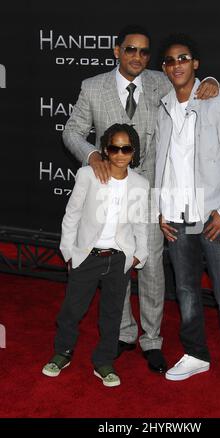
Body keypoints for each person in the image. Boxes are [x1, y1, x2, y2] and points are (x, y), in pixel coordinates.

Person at [62, 24, 220, 373]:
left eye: (145, 52)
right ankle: (123, 333)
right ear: (117, 51)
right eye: (130, 50)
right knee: (116, 261)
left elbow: (191, 84)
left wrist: (212, 83)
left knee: (148, 266)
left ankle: (151, 339)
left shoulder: (161, 81)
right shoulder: (93, 87)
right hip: (108, 191)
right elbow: (72, 131)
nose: (138, 57)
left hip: (149, 190)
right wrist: (92, 157)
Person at [155, 34, 220, 401]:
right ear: (164, 68)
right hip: (176, 218)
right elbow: (159, 163)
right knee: (185, 293)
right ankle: (196, 354)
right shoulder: (162, 105)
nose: (176, 64)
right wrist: (159, 210)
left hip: (213, 217)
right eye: (169, 60)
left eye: (184, 58)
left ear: (196, 64)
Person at [42, 123, 149, 387]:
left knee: (112, 313)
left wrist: (138, 255)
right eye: (115, 147)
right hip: (86, 255)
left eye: (126, 148)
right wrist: (69, 252)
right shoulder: (87, 175)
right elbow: (72, 215)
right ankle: (63, 352)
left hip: (120, 257)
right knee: (72, 309)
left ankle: (104, 361)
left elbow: (140, 224)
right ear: (105, 149)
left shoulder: (140, 183)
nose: (120, 153)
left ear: (133, 152)